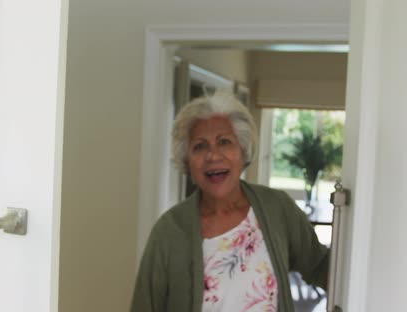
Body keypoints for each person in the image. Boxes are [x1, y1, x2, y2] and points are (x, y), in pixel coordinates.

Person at [130, 91, 328, 312]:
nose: (213, 155)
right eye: (199, 146)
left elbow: (322, 267)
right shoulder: (169, 231)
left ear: (242, 152)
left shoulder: (277, 208)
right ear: (187, 161)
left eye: (224, 142)